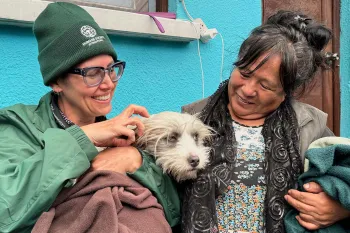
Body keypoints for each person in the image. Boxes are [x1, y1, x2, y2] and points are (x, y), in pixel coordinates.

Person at [0, 2, 175, 232]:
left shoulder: (125, 135)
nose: (108, 83)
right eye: (92, 74)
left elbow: (174, 214)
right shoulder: (17, 126)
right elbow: (6, 211)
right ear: (56, 82)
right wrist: (83, 138)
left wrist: (135, 160)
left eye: (112, 69)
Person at [177, 10, 350, 233]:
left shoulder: (310, 126)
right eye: (245, 73)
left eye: (265, 86)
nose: (247, 90)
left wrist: (341, 208)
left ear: (286, 92)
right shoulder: (193, 118)